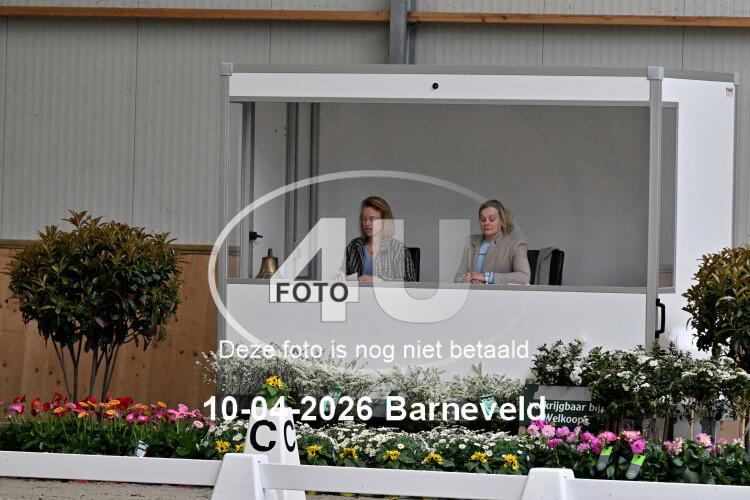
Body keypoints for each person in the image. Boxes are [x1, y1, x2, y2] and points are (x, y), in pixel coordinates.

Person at [454, 199, 530, 284]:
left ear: (502, 221)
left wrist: (486, 277)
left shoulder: (516, 243)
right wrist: (468, 280)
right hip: (473, 291)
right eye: (483, 219)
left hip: (499, 292)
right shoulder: (471, 241)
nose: (486, 223)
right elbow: (458, 277)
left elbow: (524, 277)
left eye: (492, 219)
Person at [345, 196, 417, 282]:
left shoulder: (398, 249)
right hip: (357, 291)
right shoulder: (354, 245)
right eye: (364, 219)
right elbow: (344, 275)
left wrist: (379, 281)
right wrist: (342, 277)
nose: (367, 223)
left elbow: (410, 283)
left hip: (385, 292)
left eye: (372, 219)